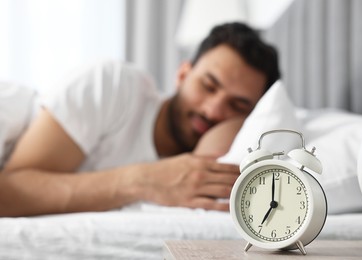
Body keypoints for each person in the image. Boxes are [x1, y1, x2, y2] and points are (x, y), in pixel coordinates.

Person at [0, 22, 280, 217]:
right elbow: (9, 190)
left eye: (237, 105)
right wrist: (142, 180)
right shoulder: (113, 85)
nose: (213, 110)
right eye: (208, 86)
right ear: (182, 75)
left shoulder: (205, 162)